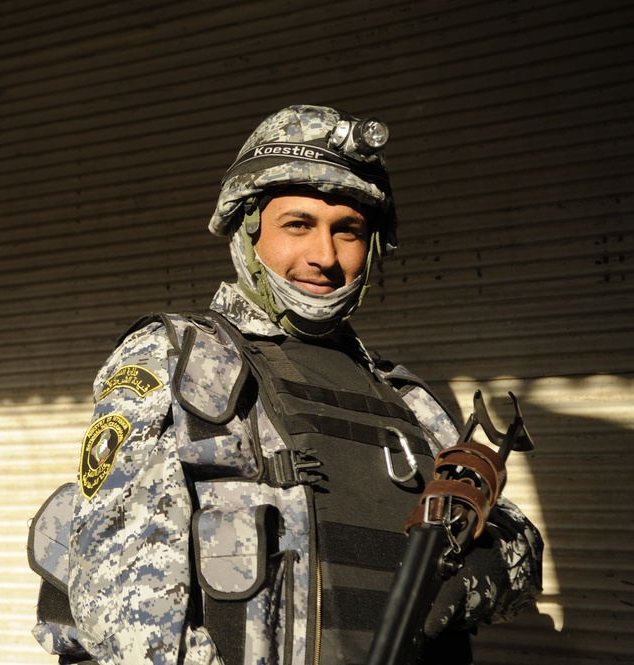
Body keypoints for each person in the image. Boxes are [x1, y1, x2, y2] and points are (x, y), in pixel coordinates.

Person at [28, 104, 543, 665]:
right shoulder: (178, 359)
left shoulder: (401, 396)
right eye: (298, 225)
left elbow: (515, 540)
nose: (324, 257)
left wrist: (469, 575)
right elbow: (124, 597)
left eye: (348, 231)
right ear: (249, 229)